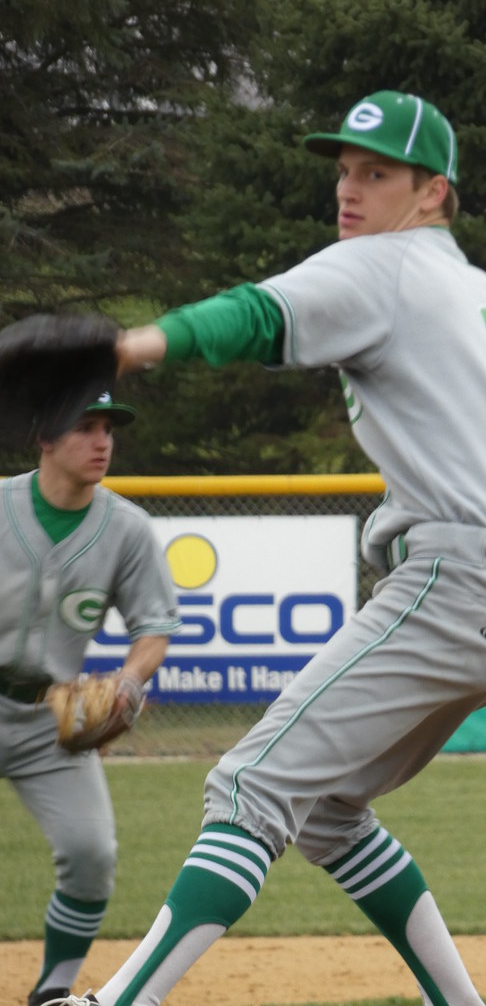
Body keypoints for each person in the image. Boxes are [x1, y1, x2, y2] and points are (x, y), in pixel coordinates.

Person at [48, 91, 486, 1006]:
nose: (349, 190)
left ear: (433, 193)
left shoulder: (384, 265)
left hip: (450, 583)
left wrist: (130, 345)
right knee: (327, 814)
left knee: (246, 785)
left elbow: (256, 314)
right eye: (345, 171)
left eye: (378, 172)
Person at [0, 392, 181, 1006]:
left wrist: (129, 681)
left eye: (108, 428)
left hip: (47, 721)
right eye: (85, 427)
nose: (102, 441)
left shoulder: (126, 528)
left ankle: (53, 990)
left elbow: (153, 629)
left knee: (91, 853)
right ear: (45, 438)